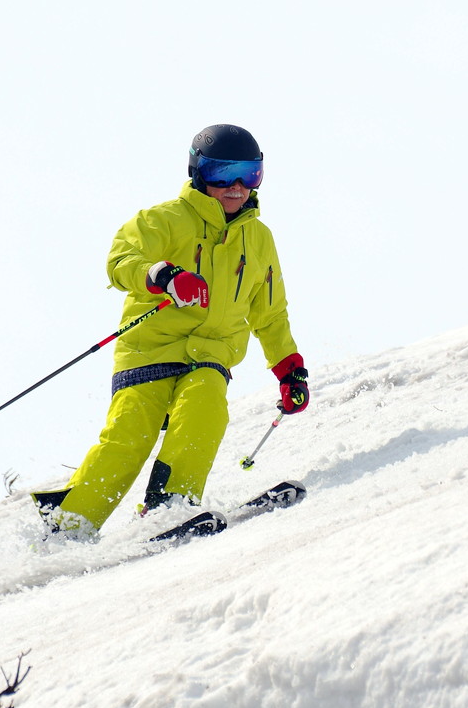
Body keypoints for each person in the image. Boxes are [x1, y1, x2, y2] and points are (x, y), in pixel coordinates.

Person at [32, 124, 309, 538]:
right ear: (199, 173)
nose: (235, 186)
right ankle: (69, 524)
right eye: (222, 173)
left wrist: (288, 368)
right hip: (150, 350)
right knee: (128, 439)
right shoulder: (163, 220)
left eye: (248, 174)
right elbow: (121, 260)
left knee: (205, 410)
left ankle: (170, 507)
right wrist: (162, 275)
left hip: (211, 354)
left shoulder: (259, 239)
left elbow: (269, 311)